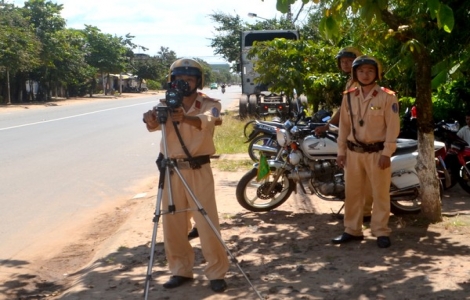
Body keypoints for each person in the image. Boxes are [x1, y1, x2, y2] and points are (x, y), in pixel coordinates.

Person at [142, 58, 229, 292]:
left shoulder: (209, 103)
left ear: (198, 81)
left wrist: (186, 117)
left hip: (198, 169)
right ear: (172, 81)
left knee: (207, 222)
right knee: (173, 223)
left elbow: (212, 119)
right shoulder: (165, 104)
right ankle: (180, 270)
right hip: (171, 170)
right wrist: (150, 118)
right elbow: (151, 126)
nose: (184, 83)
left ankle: (217, 272)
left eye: (189, 79)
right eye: (179, 79)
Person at [332, 55, 400, 248]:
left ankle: (381, 231)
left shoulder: (388, 96)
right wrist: (341, 151)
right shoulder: (349, 96)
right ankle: (352, 230)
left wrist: (387, 153)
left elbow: (393, 127)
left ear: (376, 73)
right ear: (355, 74)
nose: (365, 74)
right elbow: (344, 126)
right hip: (353, 153)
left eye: (370, 70)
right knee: (353, 193)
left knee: (380, 193)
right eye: (361, 71)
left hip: (377, 153)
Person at [314, 47, 373, 223]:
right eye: (342, 62)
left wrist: (328, 125)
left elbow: (348, 109)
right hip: (352, 133)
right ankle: (357, 213)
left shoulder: (360, 82)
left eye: (349, 61)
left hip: (365, 135)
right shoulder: (351, 82)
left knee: (363, 178)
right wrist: (329, 124)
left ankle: (365, 213)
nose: (345, 64)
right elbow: (344, 108)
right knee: (354, 177)